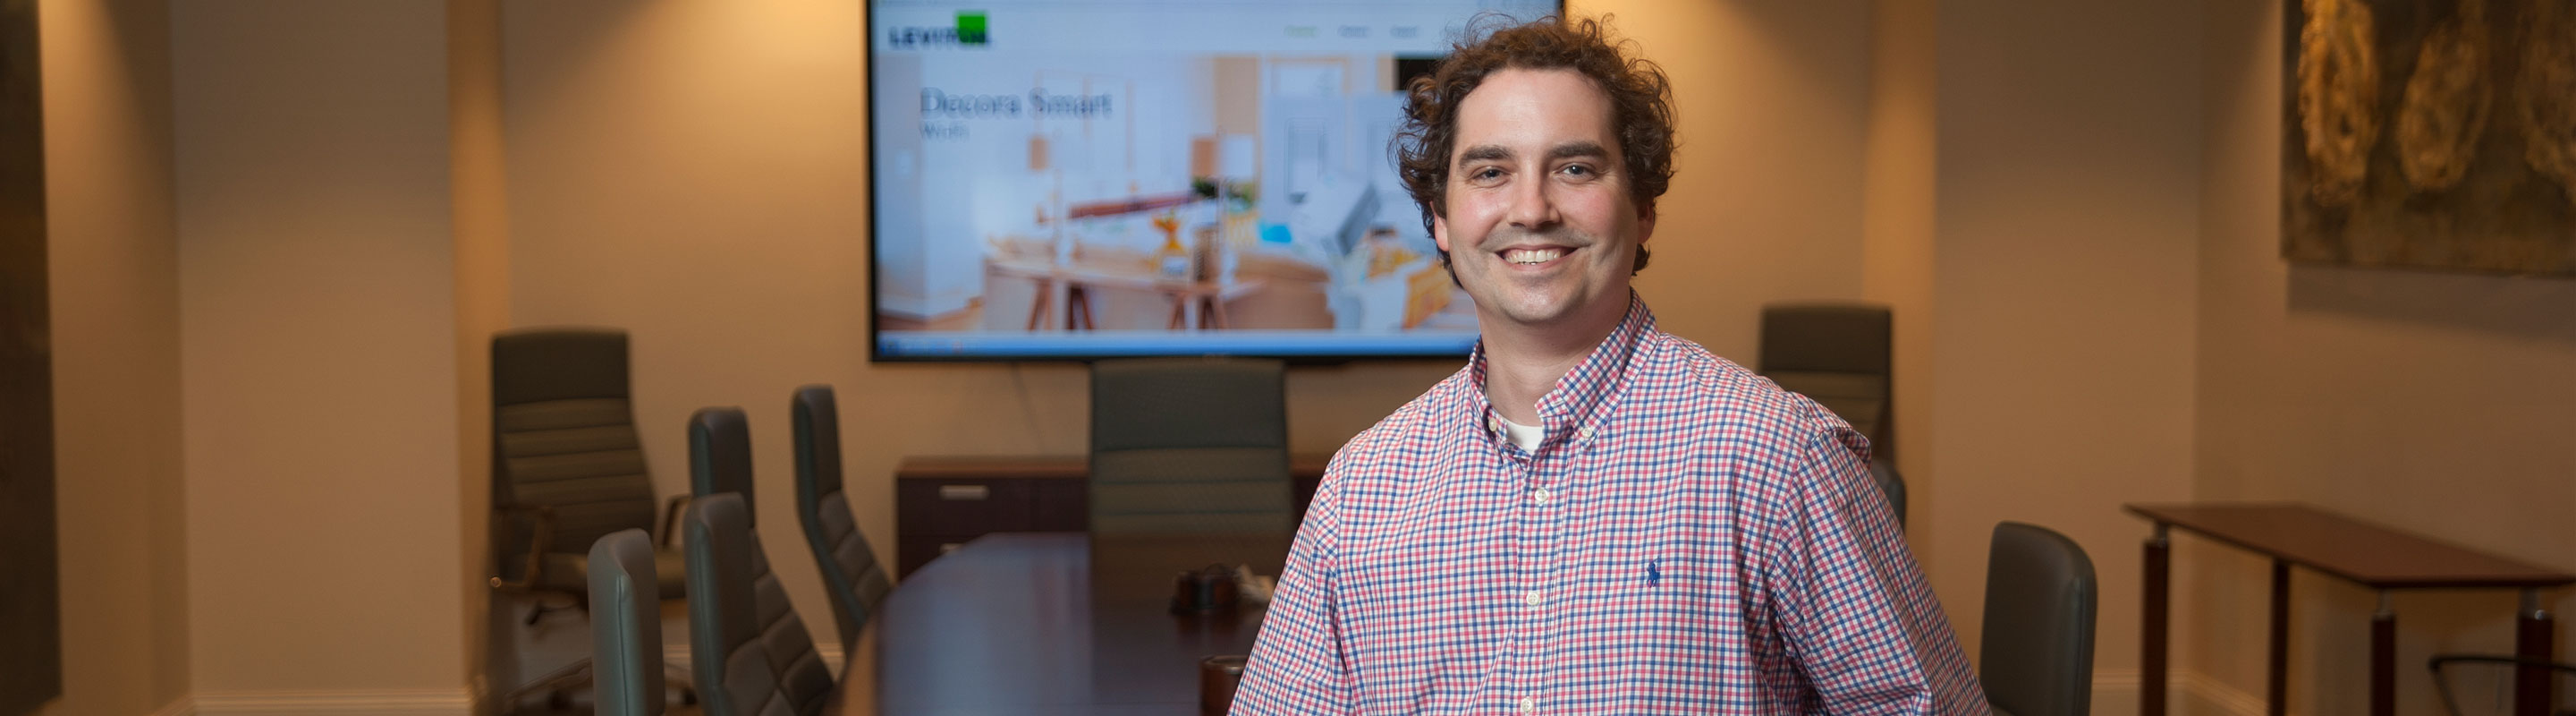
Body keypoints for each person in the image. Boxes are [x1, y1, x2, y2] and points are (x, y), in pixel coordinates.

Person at [1231, 14, 1987, 715]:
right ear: (1440, 218)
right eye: (1490, 172)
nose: (1532, 209)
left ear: (1643, 207)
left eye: (1575, 168)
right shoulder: (1362, 489)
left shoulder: (1777, 459)